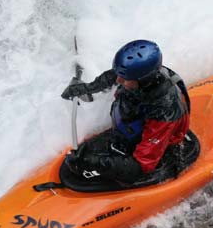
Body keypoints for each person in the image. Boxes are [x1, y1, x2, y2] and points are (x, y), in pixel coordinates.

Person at [60, 39, 191, 185]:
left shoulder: (164, 112)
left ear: (143, 80)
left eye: (125, 78)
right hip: (132, 132)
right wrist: (87, 88)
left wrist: (93, 163)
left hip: (158, 150)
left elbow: (142, 165)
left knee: (92, 162)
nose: (118, 79)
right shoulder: (143, 75)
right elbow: (113, 76)